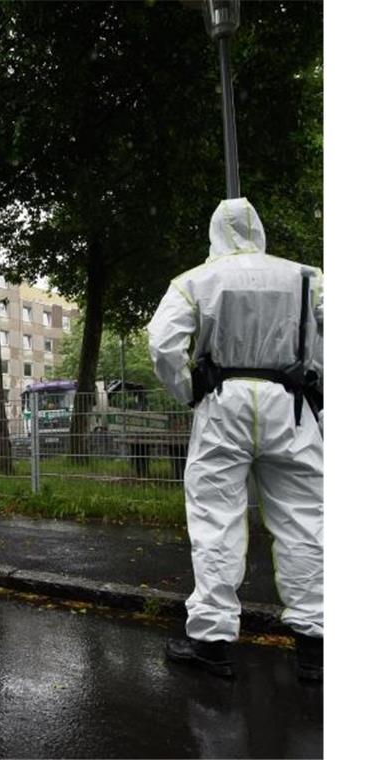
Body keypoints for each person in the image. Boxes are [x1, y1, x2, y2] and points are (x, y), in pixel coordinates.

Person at [147, 197, 323, 682]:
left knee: (216, 520)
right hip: (291, 405)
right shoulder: (309, 276)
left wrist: (189, 388)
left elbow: (163, 344)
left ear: (214, 233)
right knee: (307, 522)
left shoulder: (194, 282)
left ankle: (213, 643)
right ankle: (316, 647)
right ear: (261, 230)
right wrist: (320, 385)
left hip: (222, 403)